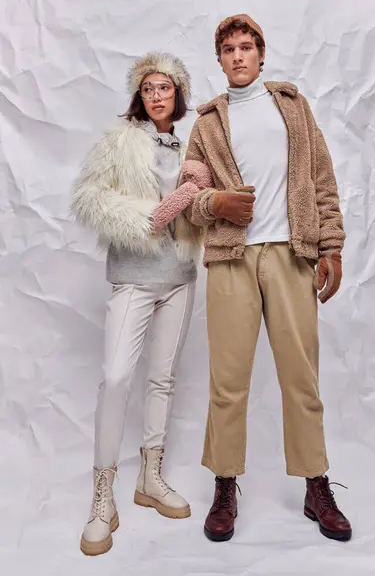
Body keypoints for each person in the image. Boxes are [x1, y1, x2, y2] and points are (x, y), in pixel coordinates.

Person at [181, 14, 352, 543]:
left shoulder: (294, 108)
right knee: (227, 382)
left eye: (246, 47)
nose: (237, 55)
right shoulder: (207, 122)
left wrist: (332, 247)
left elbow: (322, 180)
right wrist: (217, 203)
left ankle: (315, 483)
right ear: (219, 59)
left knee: (301, 376)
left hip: (291, 255)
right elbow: (189, 201)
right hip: (231, 258)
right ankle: (225, 483)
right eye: (228, 48)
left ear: (261, 54)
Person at [70, 52, 213, 556]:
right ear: (139, 94)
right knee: (115, 377)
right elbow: (89, 197)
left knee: (162, 378)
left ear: (178, 94)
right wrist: (149, 216)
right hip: (133, 276)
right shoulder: (120, 140)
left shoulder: (192, 143)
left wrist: (199, 192)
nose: (157, 95)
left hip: (179, 276)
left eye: (166, 87)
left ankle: (150, 477)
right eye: (149, 87)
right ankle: (102, 496)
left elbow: (205, 205)